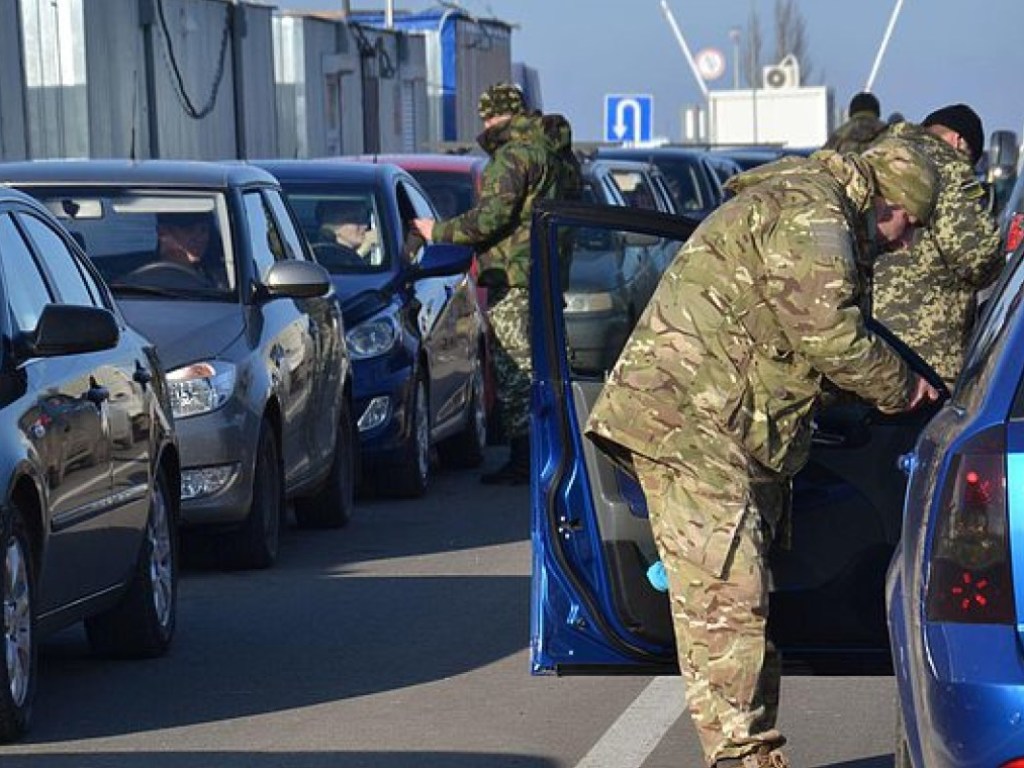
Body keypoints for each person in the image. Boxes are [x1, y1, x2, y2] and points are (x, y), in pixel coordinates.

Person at [584, 138, 942, 768]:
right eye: (907, 225)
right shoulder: (815, 214)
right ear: (885, 200)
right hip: (688, 423)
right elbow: (830, 336)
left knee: (740, 599)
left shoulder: (819, 209)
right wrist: (903, 388)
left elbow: (797, 346)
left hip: (720, 426)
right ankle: (742, 758)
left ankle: (749, 750)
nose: (906, 242)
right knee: (729, 603)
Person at [413, 83, 568, 485]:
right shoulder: (551, 152)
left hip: (514, 277)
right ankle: (546, 453)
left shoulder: (512, 157)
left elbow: (489, 219)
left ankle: (525, 460)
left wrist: (437, 231)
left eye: (486, 117)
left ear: (496, 116)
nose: (484, 125)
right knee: (542, 367)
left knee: (515, 369)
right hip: (544, 273)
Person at [872, 103, 1003, 386]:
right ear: (960, 141)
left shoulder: (878, 155)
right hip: (926, 354)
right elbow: (978, 255)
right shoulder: (956, 170)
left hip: (867, 345)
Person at [155, 210, 225, 287]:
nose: (199, 238)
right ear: (163, 232)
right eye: (189, 230)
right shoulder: (142, 280)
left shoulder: (221, 279)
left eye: (203, 230)